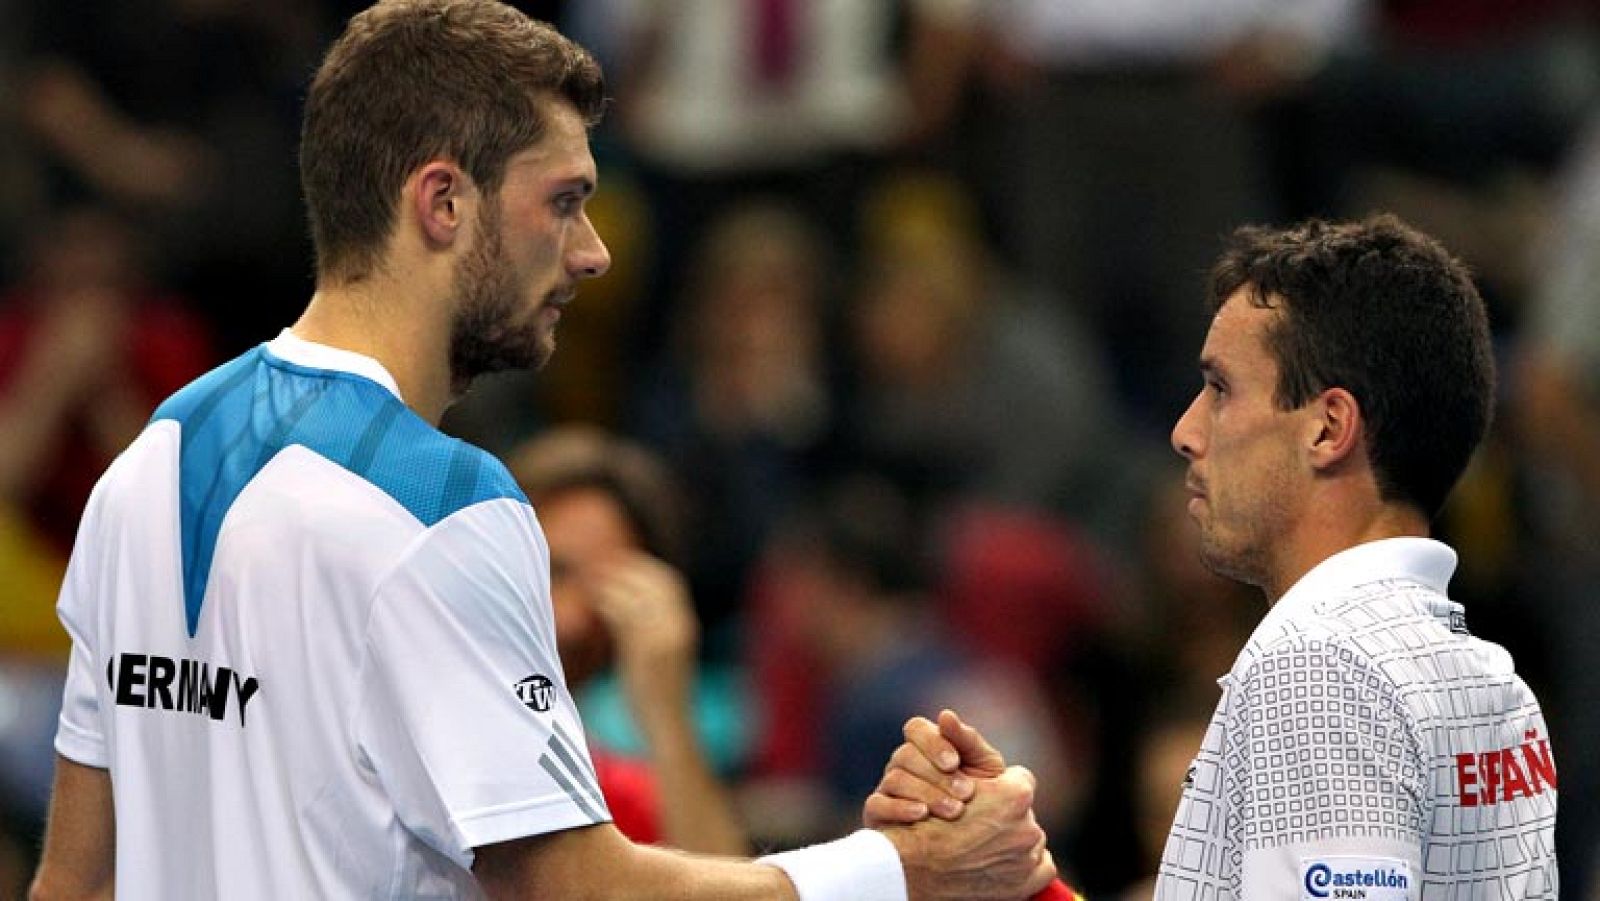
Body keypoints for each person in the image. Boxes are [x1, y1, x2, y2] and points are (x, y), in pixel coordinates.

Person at [27, 2, 1057, 899]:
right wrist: (898, 871)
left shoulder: (147, 464)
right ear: (442, 202)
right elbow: (574, 891)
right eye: (563, 200)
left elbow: (74, 883)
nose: (594, 250)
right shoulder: (443, 507)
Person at [869, 215, 1559, 898]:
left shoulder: (1318, 667)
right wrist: (1026, 882)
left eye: (1221, 389)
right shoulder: (1493, 684)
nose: (1185, 430)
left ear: (1328, 426)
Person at [506, 426, 746, 855]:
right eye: (554, 572)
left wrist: (666, 712)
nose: (573, 620)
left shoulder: (605, 789)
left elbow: (722, 878)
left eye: (606, 592)